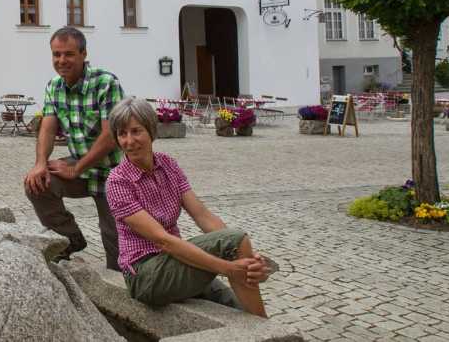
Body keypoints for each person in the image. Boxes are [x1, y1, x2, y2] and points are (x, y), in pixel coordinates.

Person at [105, 97, 271, 316]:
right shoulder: (117, 182)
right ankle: (269, 337)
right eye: (122, 134)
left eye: (136, 131)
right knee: (235, 242)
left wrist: (245, 255)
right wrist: (229, 267)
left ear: (151, 131)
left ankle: (261, 329)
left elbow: (203, 216)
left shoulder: (168, 165)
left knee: (236, 306)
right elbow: (163, 240)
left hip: (175, 261)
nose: (129, 141)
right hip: (145, 275)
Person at [23, 26, 124, 270]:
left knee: (117, 253)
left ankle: (121, 284)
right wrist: (39, 164)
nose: (61, 60)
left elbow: (111, 135)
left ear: (83, 54)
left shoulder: (105, 82)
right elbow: (47, 127)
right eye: (56, 54)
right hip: (79, 166)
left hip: (113, 174)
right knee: (37, 184)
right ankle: (69, 240)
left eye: (68, 54)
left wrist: (76, 168)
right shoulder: (54, 86)